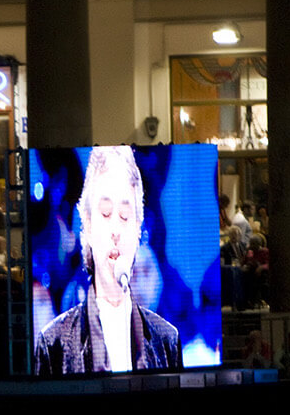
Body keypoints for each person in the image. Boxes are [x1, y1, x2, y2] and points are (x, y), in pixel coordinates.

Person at [32, 146, 182, 373]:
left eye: (124, 216)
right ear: (88, 227)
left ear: (139, 229)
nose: (115, 231)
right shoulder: (53, 342)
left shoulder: (167, 340)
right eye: (105, 213)